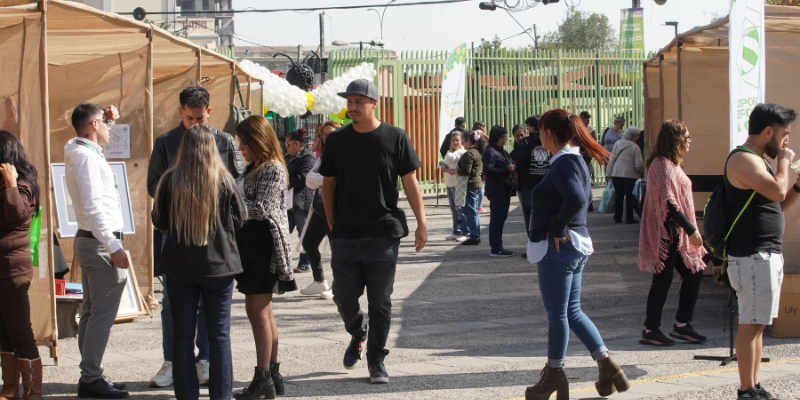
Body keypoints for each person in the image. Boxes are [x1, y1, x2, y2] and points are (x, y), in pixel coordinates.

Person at [319, 79, 427, 384]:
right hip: (346, 233)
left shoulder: (395, 137)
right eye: (349, 102)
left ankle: (376, 359)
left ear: (374, 104)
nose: (352, 107)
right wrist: (331, 223)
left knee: (381, 302)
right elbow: (328, 183)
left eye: (358, 102)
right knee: (344, 297)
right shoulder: (337, 140)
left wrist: (422, 222)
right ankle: (358, 331)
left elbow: (409, 181)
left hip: (383, 231)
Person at [525, 109, 629, 400]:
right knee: (571, 311)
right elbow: (577, 197)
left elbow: (577, 197)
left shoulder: (563, 163)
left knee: (558, 314)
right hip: (574, 245)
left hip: (559, 248)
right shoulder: (573, 159)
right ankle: (607, 365)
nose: (538, 135)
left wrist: (557, 227)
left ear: (548, 133)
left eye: (540, 130)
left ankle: (553, 374)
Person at [147, 86, 243, 388]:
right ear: (180, 112)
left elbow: (158, 215)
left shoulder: (225, 142)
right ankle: (178, 365)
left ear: (209, 112)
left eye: (200, 119)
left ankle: (202, 364)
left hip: (185, 254)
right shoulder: (165, 143)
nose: (196, 125)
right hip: (209, 255)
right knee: (216, 331)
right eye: (191, 119)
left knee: (191, 330)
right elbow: (240, 214)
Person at [725, 103, 799, 400]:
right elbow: (778, 191)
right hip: (752, 255)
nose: (786, 142)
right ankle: (745, 390)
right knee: (750, 324)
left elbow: (777, 204)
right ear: (768, 131)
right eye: (785, 135)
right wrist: (784, 162)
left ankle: (754, 386)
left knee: (758, 325)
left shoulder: (758, 160)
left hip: (764, 254)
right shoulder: (744, 159)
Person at [65, 103, 130, 398]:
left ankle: (92, 374)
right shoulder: (85, 158)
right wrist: (113, 245)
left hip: (91, 241)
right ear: (93, 124)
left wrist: (108, 121)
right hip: (99, 242)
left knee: (92, 313)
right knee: (100, 315)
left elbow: (95, 140)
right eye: (103, 123)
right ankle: (91, 378)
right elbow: (93, 208)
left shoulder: (80, 151)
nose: (108, 127)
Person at [233, 116, 298, 399]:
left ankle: (263, 380)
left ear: (259, 139)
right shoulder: (256, 166)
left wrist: (228, 199)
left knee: (257, 311)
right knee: (264, 313)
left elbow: (261, 208)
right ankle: (271, 374)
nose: (241, 147)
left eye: (244, 142)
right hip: (255, 244)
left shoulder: (272, 168)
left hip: (265, 244)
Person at [638, 120, 707, 348]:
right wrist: (691, 229)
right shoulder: (662, 165)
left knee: (693, 273)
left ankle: (682, 324)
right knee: (662, 281)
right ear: (674, 140)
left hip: (675, 234)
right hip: (665, 234)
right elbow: (669, 204)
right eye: (686, 137)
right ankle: (651, 330)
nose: (689, 141)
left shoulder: (672, 164)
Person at [0, 131, 42, 400]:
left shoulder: (22, 184)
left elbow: (17, 215)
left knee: (20, 331)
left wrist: (10, 183)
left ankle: (33, 391)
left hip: (13, 269)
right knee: (3, 330)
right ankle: (10, 386)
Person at [302, 121, 341, 300]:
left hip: (335, 207)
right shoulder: (323, 155)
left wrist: (322, 179)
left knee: (337, 247)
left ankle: (338, 286)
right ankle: (319, 281)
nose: (326, 137)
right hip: (319, 207)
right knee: (309, 242)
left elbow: (337, 179)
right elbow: (309, 179)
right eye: (324, 134)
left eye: (330, 133)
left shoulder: (343, 153)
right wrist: (324, 179)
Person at [513, 116, 549, 244]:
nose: (527, 129)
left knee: (530, 216)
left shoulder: (525, 142)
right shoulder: (548, 139)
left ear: (532, 127)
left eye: (527, 126)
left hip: (529, 185)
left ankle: (533, 244)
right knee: (547, 213)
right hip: (546, 182)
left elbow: (520, 164)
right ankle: (546, 242)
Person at [284, 129, 315, 274]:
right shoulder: (286, 157)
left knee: (304, 234)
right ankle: (282, 262)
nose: (286, 147)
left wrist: (285, 182)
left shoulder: (308, 157)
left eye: (288, 144)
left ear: (297, 144)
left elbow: (303, 178)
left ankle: (305, 262)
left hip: (301, 202)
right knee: (283, 232)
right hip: (286, 204)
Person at [482, 126, 515, 257]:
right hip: (496, 190)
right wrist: (506, 169)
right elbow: (488, 171)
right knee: (496, 219)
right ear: (500, 138)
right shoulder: (490, 151)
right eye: (505, 136)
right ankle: (496, 248)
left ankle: (498, 245)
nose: (506, 139)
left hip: (504, 190)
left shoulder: (501, 151)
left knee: (501, 218)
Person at [607, 127, 645, 224]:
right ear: (634, 136)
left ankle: (617, 216)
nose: (638, 138)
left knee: (619, 196)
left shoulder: (617, 143)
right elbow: (639, 164)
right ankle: (629, 217)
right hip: (630, 175)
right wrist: (641, 173)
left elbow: (611, 159)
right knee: (629, 197)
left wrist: (609, 173)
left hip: (617, 173)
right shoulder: (635, 147)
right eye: (637, 136)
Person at [457, 131, 486, 246]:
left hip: (470, 184)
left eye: (463, 142)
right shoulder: (477, 152)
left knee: (470, 211)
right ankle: (475, 234)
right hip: (476, 183)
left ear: (468, 141)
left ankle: (474, 236)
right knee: (473, 211)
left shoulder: (470, 153)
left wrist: (454, 171)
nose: (462, 144)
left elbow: (466, 171)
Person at [442, 132, 468, 242]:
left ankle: (465, 232)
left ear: (462, 141)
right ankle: (456, 231)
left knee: (460, 209)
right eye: (453, 140)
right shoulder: (450, 152)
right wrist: (443, 165)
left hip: (457, 184)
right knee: (453, 210)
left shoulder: (462, 151)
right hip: (449, 183)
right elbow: (444, 163)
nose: (455, 142)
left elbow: (451, 158)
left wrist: (449, 151)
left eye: (457, 140)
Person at [472, 121, 488, 212]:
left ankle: (474, 205)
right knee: (481, 186)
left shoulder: (471, 137)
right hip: (482, 164)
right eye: (485, 127)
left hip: (473, 164)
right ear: (482, 128)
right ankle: (479, 206)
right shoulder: (485, 138)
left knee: (474, 186)